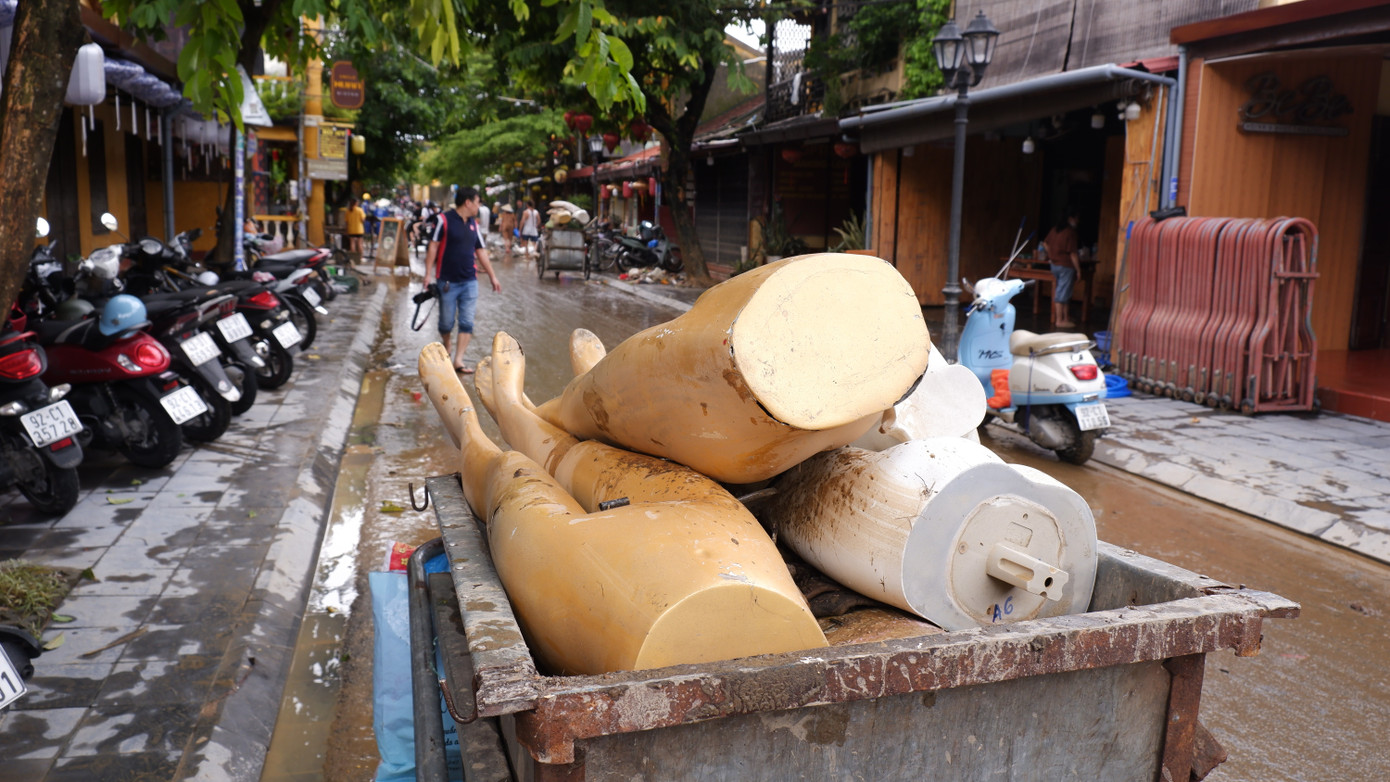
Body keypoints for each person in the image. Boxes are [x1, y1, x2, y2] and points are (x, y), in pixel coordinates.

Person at [425, 186, 502, 374]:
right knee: (446, 323)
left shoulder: (474, 225)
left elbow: (481, 251)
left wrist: (493, 276)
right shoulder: (443, 220)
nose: (479, 206)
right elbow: (433, 247)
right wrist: (427, 275)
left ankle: (458, 360)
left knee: (467, 322)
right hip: (447, 282)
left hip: (470, 281)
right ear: (468, 202)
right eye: (477, 202)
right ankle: (448, 343)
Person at [1042, 209, 1082, 329]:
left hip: (1054, 265)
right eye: (1076, 218)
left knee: (1065, 291)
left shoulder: (1055, 229)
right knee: (1062, 292)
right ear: (1071, 218)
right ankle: (1059, 320)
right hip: (1065, 266)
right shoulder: (1070, 232)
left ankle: (1066, 317)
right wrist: (1079, 270)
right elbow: (1073, 254)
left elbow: (1045, 243)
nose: (1078, 221)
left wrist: (1051, 255)